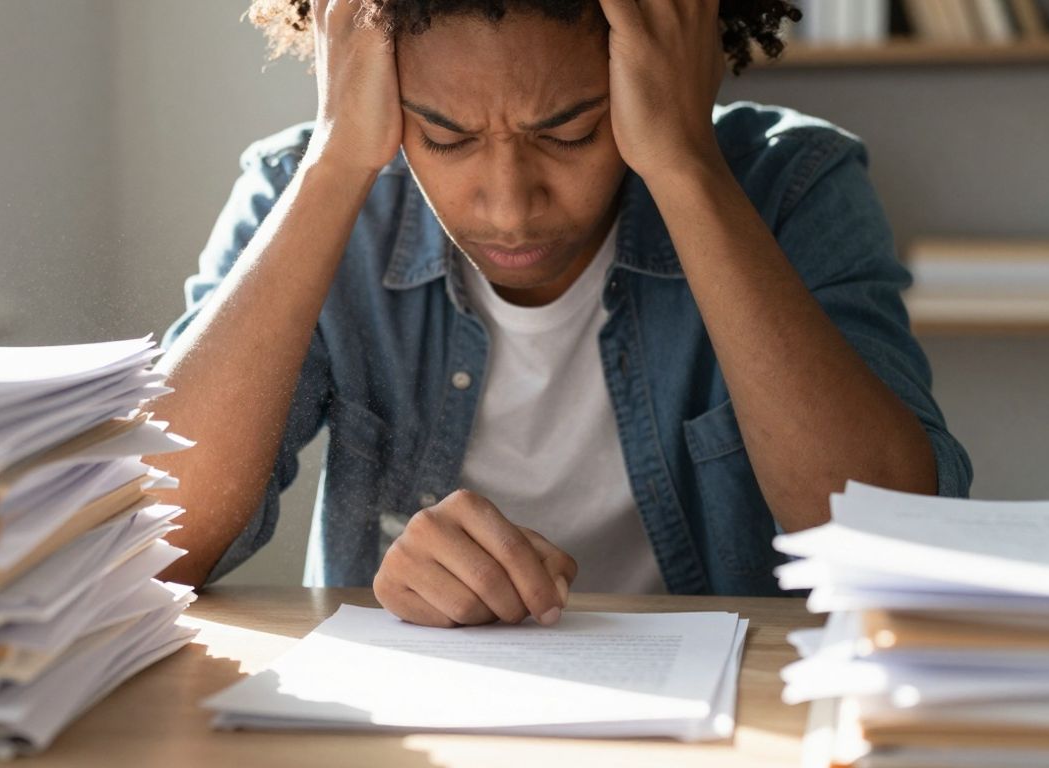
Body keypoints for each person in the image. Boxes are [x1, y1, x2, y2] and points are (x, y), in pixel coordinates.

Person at [149, 0, 972, 628]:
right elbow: (152, 545)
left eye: (573, 134)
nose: (510, 208)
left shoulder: (792, 186)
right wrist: (334, 164)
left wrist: (685, 164)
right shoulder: (311, 189)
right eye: (445, 137)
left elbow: (894, 544)